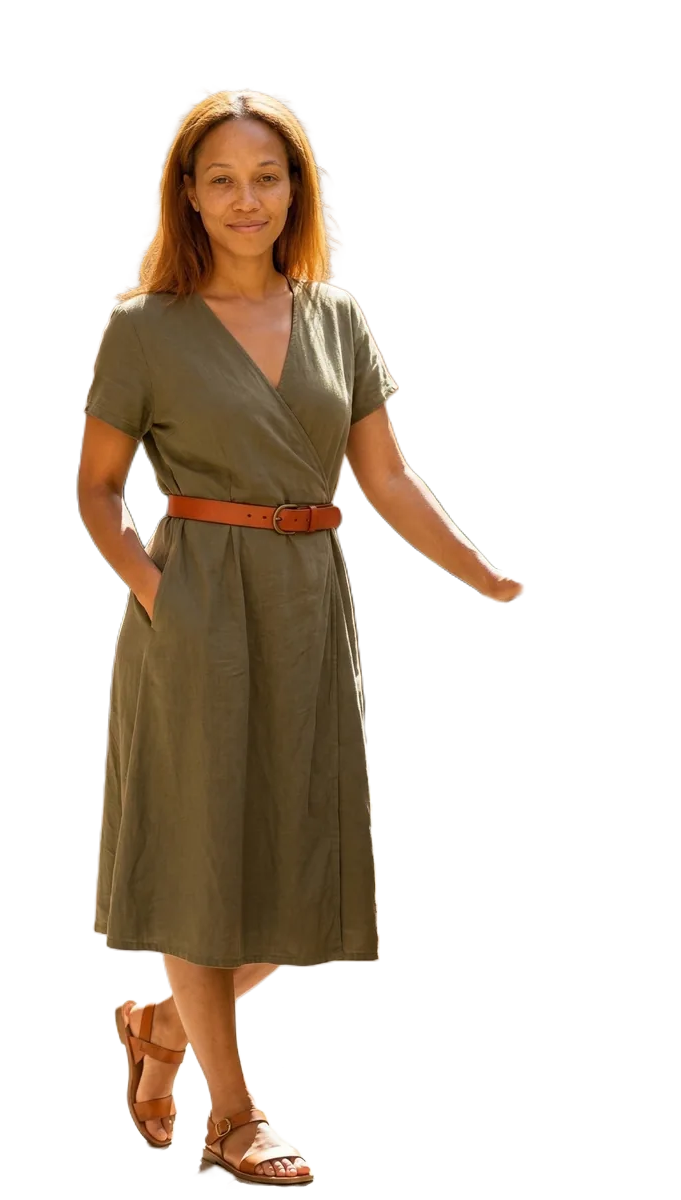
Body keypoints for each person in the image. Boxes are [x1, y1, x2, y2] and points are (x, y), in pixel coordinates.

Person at [78, 88, 530, 1188]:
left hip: (305, 604)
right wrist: (154, 590)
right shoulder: (145, 328)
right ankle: (232, 1119)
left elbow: (385, 476)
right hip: (196, 606)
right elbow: (97, 488)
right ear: (189, 196)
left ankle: (162, 1026)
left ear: (296, 190)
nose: (247, 199)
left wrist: (479, 572)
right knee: (199, 862)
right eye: (222, 180)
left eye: (267, 178)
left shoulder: (337, 317)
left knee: (305, 867)